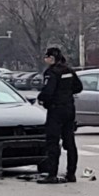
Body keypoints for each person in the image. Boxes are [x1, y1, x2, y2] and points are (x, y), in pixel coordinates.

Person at [36, 47, 82, 184]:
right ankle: (71, 174)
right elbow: (78, 87)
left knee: (53, 142)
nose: (45, 59)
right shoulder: (68, 71)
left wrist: (43, 99)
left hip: (56, 111)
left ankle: (52, 174)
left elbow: (48, 92)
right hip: (69, 109)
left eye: (47, 57)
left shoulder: (51, 72)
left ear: (52, 58)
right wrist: (66, 94)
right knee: (70, 142)